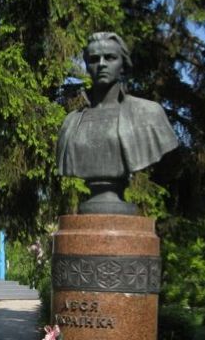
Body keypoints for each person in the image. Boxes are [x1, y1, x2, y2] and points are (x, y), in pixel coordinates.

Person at [56, 32, 178, 214]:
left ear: (123, 65)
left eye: (110, 57)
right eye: (94, 59)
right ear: (88, 66)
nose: (102, 64)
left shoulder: (149, 114)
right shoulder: (71, 122)